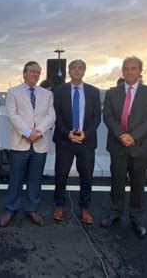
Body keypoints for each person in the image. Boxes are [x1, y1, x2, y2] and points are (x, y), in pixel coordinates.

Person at [101, 56, 147, 238]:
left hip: (140, 146)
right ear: (122, 71)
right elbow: (108, 117)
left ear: (140, 71)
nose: (129, 71)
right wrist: (122, 135)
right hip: (118, 145)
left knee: (138, 183)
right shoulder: (112, 93)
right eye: (126, 68)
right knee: (117, 181)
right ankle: (115, 212)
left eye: (133, 68)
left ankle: (136, 217)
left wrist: (133, 137)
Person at [0, 61, 55, 227]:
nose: (36, 75)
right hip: (20, 143)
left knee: (35, 178)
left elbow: (51, 116)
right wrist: (27, 132)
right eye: (32, 71)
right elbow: (12, 115)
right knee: (15, 178)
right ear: (24, 73)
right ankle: (11, 209)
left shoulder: (47, 94)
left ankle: (32, 209)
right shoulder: (13, 92)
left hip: (40, 142)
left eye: (38, 72)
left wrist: (37, 132)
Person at [52, 60, 101, 224]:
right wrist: (67, 134)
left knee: (86, 175)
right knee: (61, 174)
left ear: (84, 71)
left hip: (86, 141)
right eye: (73, 68)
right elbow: (55, 116)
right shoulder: (59, 91)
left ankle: (84, 207)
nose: (77, 70)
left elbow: (96, 117)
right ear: (69, 71)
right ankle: (59, 205)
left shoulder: (94, 91)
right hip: (65, 140)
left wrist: (85, 134)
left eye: (80, 68)